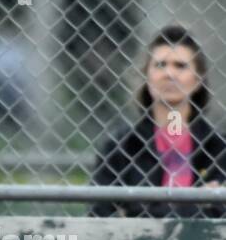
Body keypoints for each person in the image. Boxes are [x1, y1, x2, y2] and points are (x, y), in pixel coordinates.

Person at [92, 24, 226, 219]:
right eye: (161, 65)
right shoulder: (121, 146)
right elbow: (100, 217)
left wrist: (137, 212)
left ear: (198, 80)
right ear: (147, 76)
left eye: (180, 66)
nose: (169, 74)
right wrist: (198, 204)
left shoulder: (219, 148)